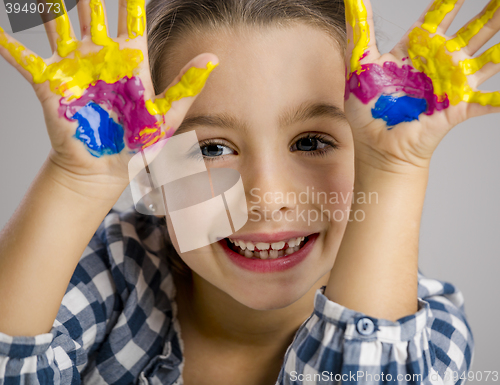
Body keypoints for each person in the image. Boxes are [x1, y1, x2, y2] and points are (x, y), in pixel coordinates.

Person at [4, 0, 497, 382]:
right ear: (149, 166)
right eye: (212, 149)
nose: (267, 196)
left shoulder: (426, 331)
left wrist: (392, 168)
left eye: (311, 141)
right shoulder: (109, 272)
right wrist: (77, 179)